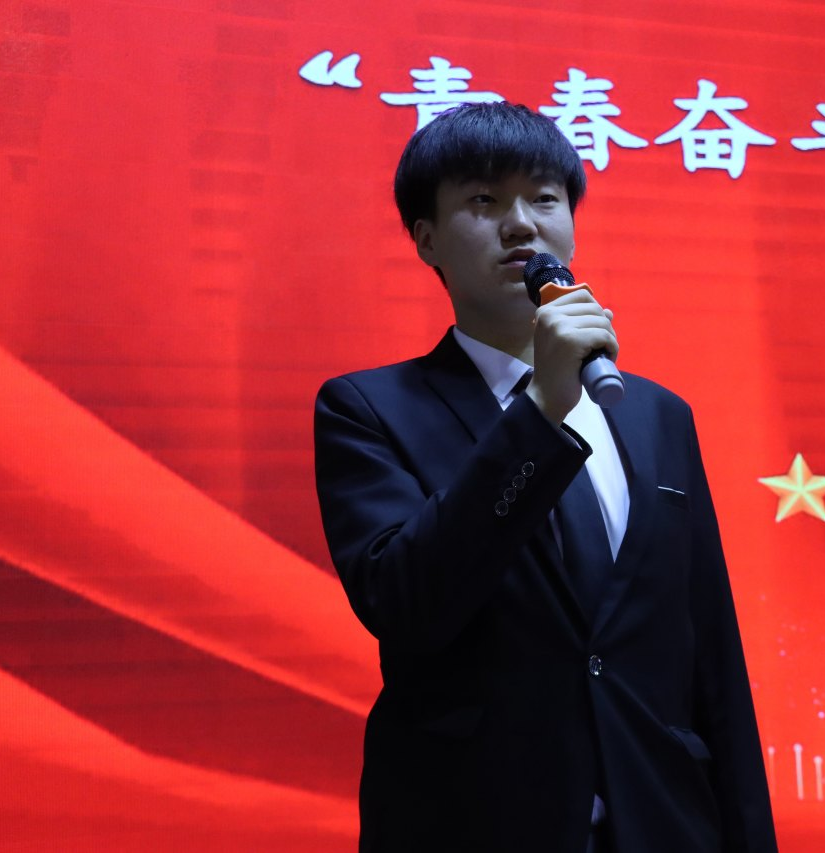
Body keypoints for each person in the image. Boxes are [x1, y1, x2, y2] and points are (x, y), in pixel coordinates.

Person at [315, 101, 776, 853]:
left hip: (663, 819)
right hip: (475, 823)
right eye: (484, 201)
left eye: (544, 198)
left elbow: (712, 656)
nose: (521, 225)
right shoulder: (367, 408)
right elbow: (407, 602)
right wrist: (540, 409)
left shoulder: (657, 414)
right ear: (426, 239)